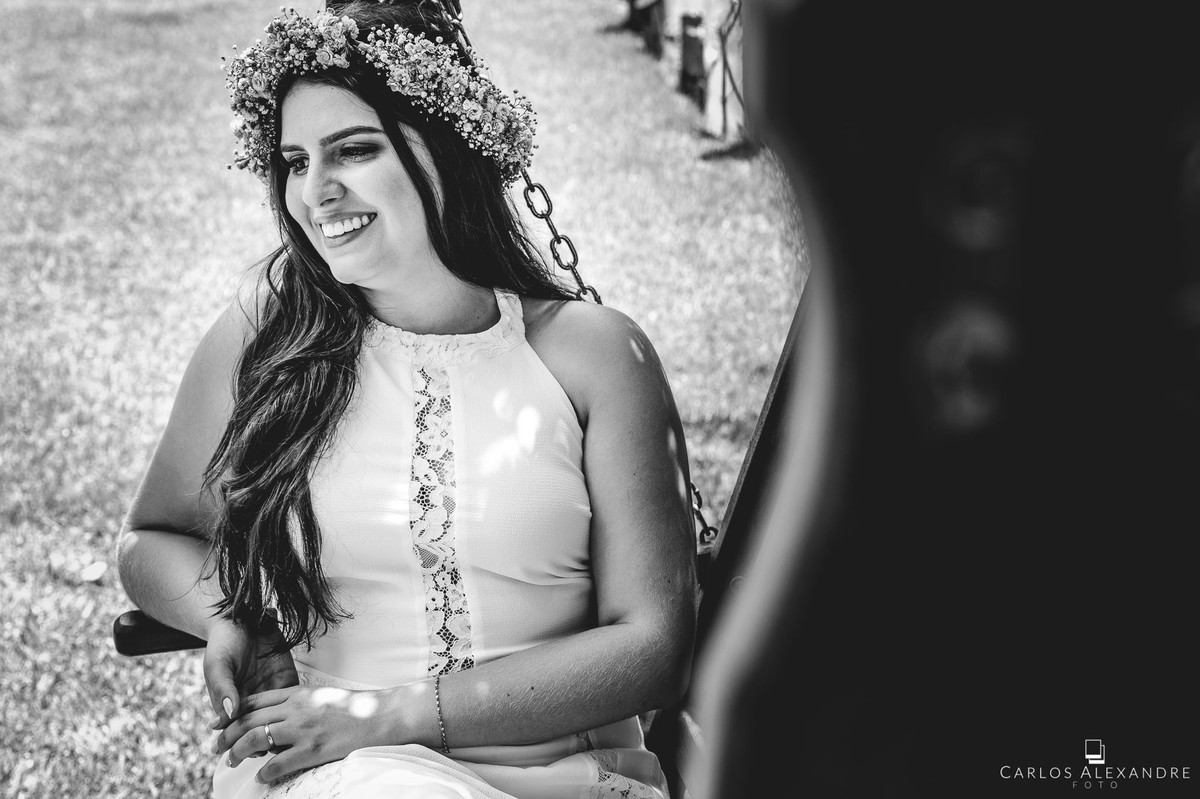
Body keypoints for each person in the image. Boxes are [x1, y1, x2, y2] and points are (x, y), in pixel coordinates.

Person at [115, 2, 697, 797]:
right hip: (336, 772)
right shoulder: (267, 339)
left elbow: (655, 644)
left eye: (352, 149)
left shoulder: (592, 356)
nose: (315, 191)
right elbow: (152, 537)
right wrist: (234, 615)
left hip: (564, 776)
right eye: (293, 160)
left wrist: (386, 712)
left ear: (447, 151)